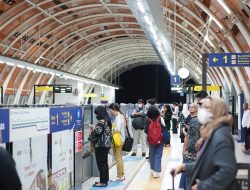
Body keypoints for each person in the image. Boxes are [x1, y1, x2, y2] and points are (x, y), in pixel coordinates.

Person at [172, 97, 239, 190]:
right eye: (202, 107)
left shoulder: (221, 136)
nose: (202, 111)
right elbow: (207, 164)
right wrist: (186, 167)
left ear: (217, 111)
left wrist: (202, 186)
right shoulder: (213, 132)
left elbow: (228, 171)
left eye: (206, 108)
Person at [89, 106, 112, 187]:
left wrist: (92, 129)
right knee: (104, 164)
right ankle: (105, 180)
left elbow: (97, 133)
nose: (96, 115)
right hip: (106, 145)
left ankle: (102, 182)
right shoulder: (107, 121)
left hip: (100, 146)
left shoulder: (101, 122)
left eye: (97, 113)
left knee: (101, 164)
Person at [179, 103, 199, 190]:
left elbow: (188, 136)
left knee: (187, 167)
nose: (191, 108)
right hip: (190, 147)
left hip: (193, 149)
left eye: (193, 107)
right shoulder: (189, 117)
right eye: (190, 107)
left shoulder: (195, 120)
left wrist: (185, 132)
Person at [144, 105, 164, 178]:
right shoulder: (160, 118)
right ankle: (157, 171)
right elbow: (163, 127)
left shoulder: (147, 119)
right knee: (158, 155)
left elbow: (146, 130)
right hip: (160, 140)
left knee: (151, 155)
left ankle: (152, 170)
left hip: (150, 140)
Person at [108, 103, 126, 182]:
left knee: (118, 158)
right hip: (120, 139)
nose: (110, 112)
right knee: (119, 158)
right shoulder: (121, 117)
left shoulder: (118, 117)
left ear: (114, 110)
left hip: (118, 140)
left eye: (110, 110)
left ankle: (120, 176)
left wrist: (111, 130)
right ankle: (121, 174)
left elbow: (117, 129)